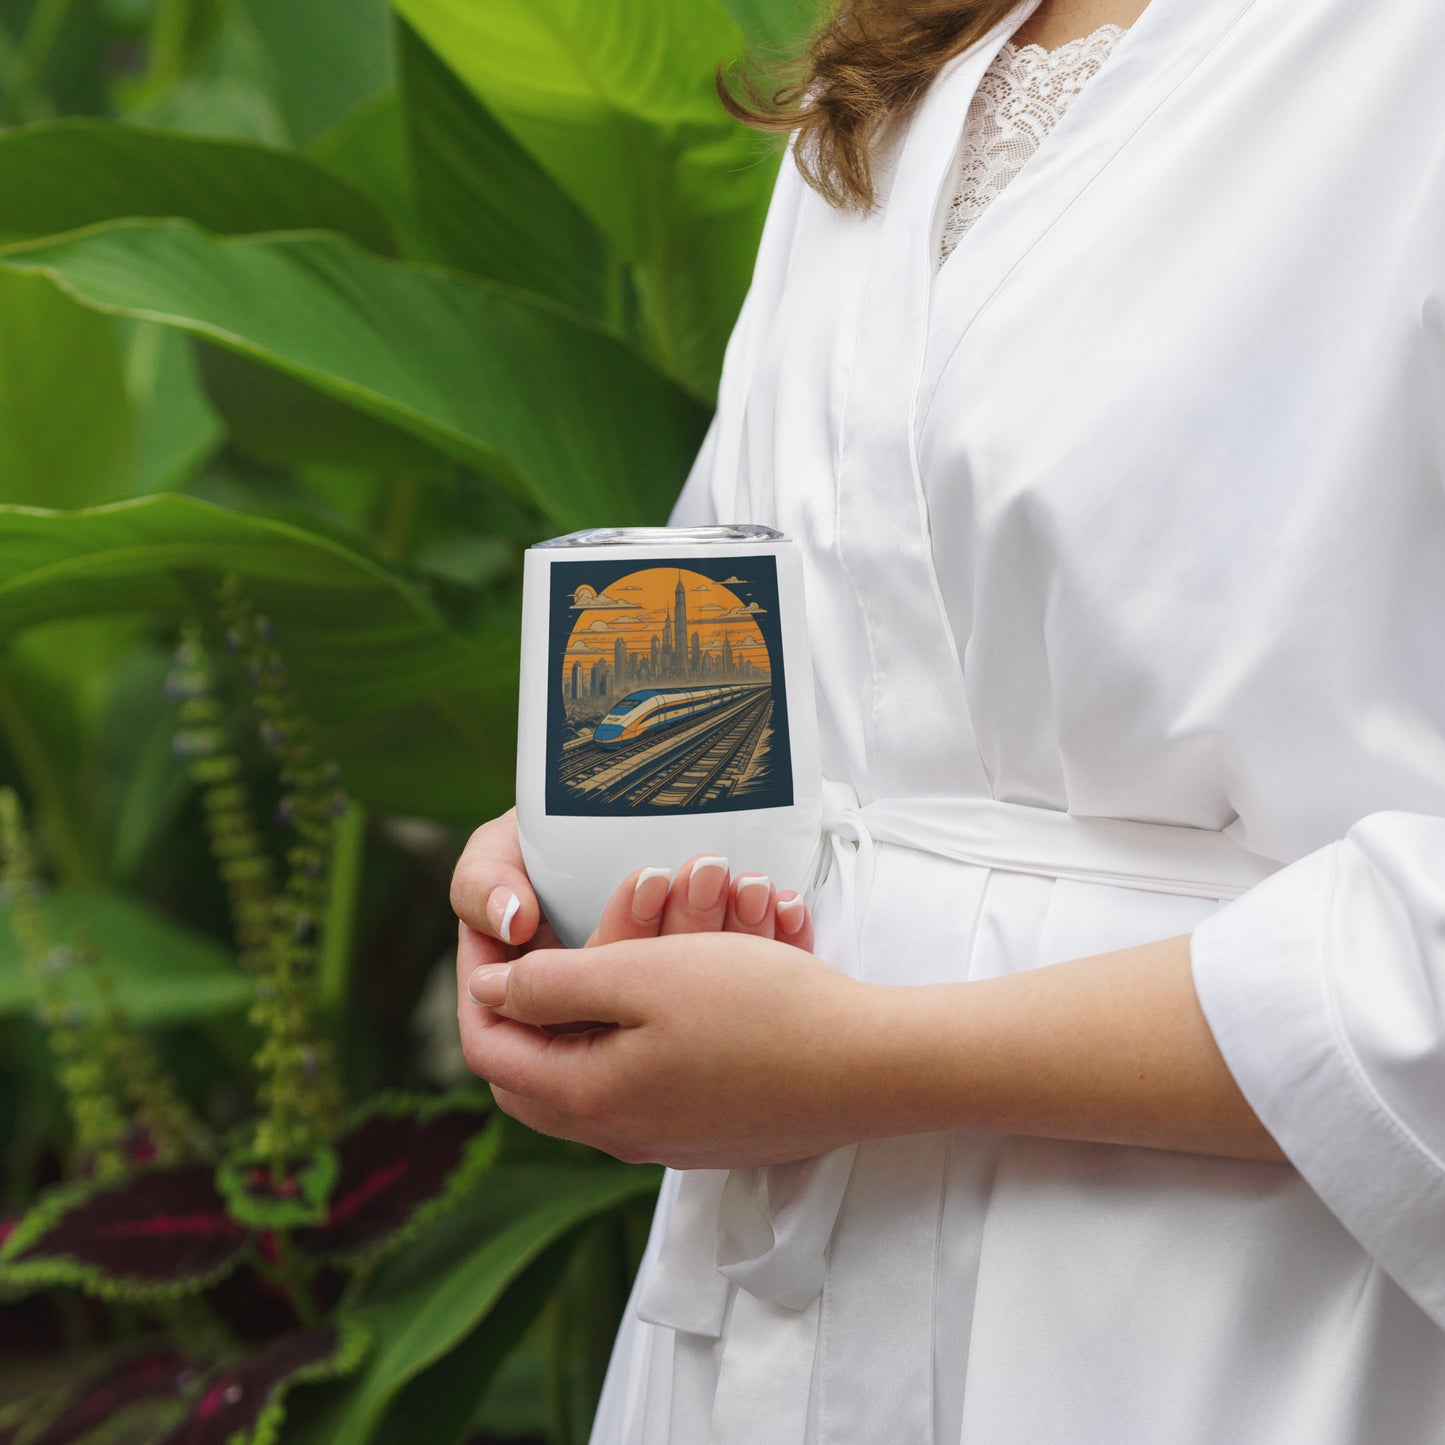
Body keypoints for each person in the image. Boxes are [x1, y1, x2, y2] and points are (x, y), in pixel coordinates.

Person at [451, 0, 1445, 1438]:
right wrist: (578, 860)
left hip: (1230, 1314)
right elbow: (773, 619)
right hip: (778, 1310)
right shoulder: (903, 56)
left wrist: (863, 1059)